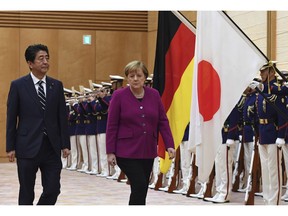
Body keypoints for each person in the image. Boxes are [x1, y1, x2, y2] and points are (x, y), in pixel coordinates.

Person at [6, 44, 70, 205]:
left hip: (51, 147)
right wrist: (10, 146)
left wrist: (65, 144)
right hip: (27, 147)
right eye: (41, 58)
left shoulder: (56, 85)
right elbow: (11, 118)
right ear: (30, 63)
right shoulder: (18, 86)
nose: (45, 62)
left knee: (53, 189)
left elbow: (62, 117)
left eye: (47, 58)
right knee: (26, 191)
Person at [106, 60, 176, 205]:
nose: (135, 79)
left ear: (145, 77)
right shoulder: (119, 96)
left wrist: (169, 144)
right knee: (139, 185)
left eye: (138, 75)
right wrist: (110, 151)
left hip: (147, 150)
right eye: (131, 76)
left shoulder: (154, 94)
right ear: (127, 78)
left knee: (142, 188)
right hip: (125, 151)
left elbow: (162, 121)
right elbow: (112, 125)